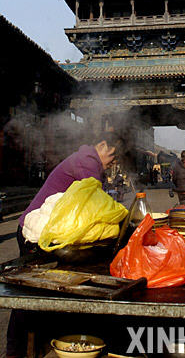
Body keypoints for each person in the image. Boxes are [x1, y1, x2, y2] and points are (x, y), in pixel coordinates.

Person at [7, 140, 116, 358]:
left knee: (43, 291)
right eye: (112, 156)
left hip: (48, 234)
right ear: (102, 145)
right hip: (33, 233)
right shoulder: (88, 162)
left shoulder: (86, 159)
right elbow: (95, 200)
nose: (112, 163)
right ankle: (15, 351)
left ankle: (45, 340)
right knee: (26, 294)